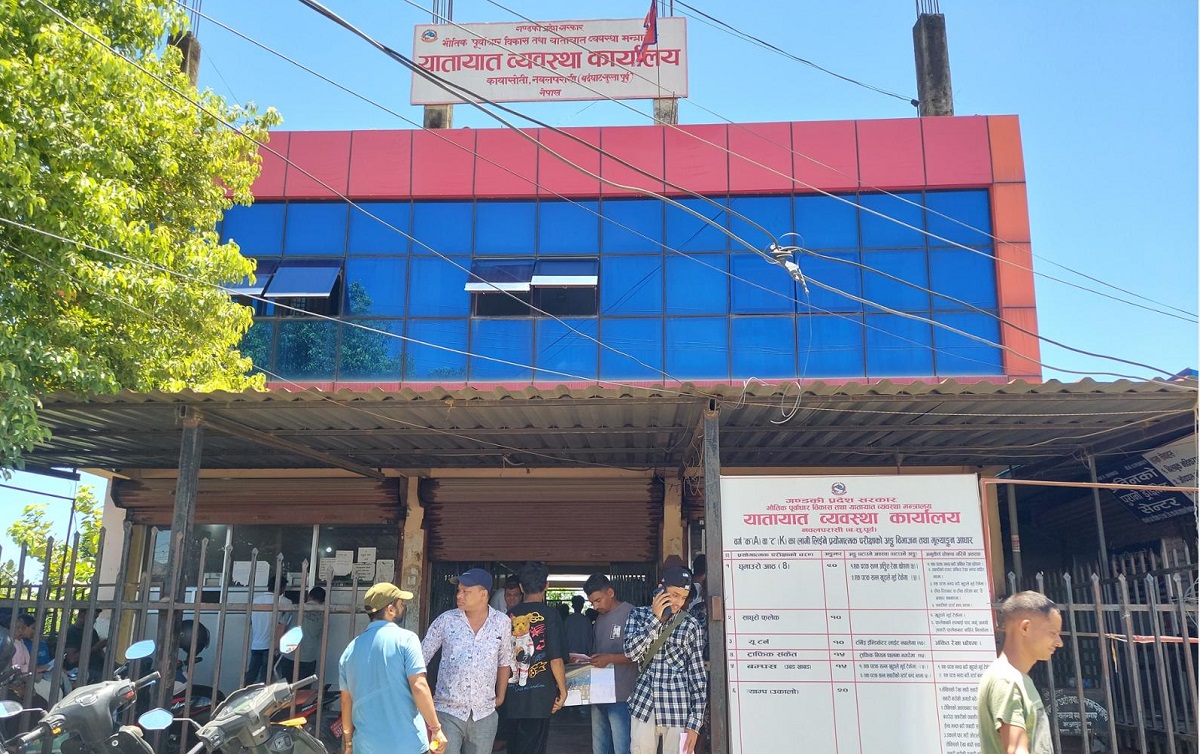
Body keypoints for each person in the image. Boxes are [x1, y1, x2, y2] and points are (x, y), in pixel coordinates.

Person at [339, 583, 447, 754]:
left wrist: (349, 743)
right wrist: (435, 728)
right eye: (401, 604)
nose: (404, 607)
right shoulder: (407, 639)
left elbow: (346, 701)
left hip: (366, 747)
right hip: (407, 746)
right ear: (390, 609)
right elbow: (419, 686)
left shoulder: (349, 651)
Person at [421, 568, 513, 754]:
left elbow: (504, 661)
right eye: (459, 590)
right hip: (446, 712)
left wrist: (501, 696)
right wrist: (425, 698)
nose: (459, 595)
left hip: (484, 714)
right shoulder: (446, 620)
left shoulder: (501, 622)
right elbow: (421, 658)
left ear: (483, 594)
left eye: (466, 591)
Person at [624, 565, 707, 754]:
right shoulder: (638, 616)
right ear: (661, 589)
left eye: (683, 598)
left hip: (678, 709)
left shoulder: (690, 625)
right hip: (644, 706)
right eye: (674, 595)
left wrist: (695, 723)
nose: (678, 603)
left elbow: (697, 676)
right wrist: (656, 619)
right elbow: (631, 653)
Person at [977, 591, 1063, 754]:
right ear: (1025, 628)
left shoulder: (1017, 678)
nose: (1059, 643)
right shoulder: (1007, 680)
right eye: (1053, 633)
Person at [505, 562, 567, 754]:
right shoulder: (551, 615)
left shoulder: (508, 616)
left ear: (521, 587)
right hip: (540, 697)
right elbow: (555, 659)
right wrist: (563, 690)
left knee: (514, 747)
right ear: (546, 585)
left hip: (511, 695)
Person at [584, 573, 636, 754]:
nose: (595, 606)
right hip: (599, 693)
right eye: (592, 603)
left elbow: (639, 655)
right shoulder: (599, 619)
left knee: (622, 747)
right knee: (600, 747)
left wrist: (609, 659)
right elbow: (599, 651)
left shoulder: (631, 614)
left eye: (598, 600)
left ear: (611, 593)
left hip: (622, 694)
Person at [246, 578, 292, 685]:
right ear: (282, 588)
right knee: (266, 678)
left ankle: (243, 693)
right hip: (271, 646)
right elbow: (284, 624)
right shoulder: (284, 602)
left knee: (251, 675)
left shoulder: (255, 601)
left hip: (256, 645)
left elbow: (250, 621)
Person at [278, 586, 325, 682]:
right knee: (304, 689)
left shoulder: (296, 608)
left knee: (287, 687)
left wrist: (276, 647)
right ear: (323, 600)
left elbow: (281, 627)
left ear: (309, 596)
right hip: (308, 657)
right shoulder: (324, 614)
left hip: (290, 654)